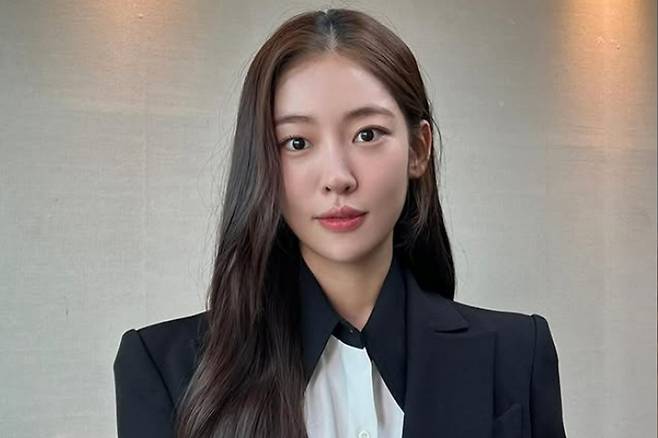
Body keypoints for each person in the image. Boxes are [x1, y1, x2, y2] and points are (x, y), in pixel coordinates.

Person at [113, 8, 567, 438]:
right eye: (297, 142)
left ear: (418, 149)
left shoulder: (516, 354)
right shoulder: (166, 368)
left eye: (367, 134)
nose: (337, 177)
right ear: (263, 160)